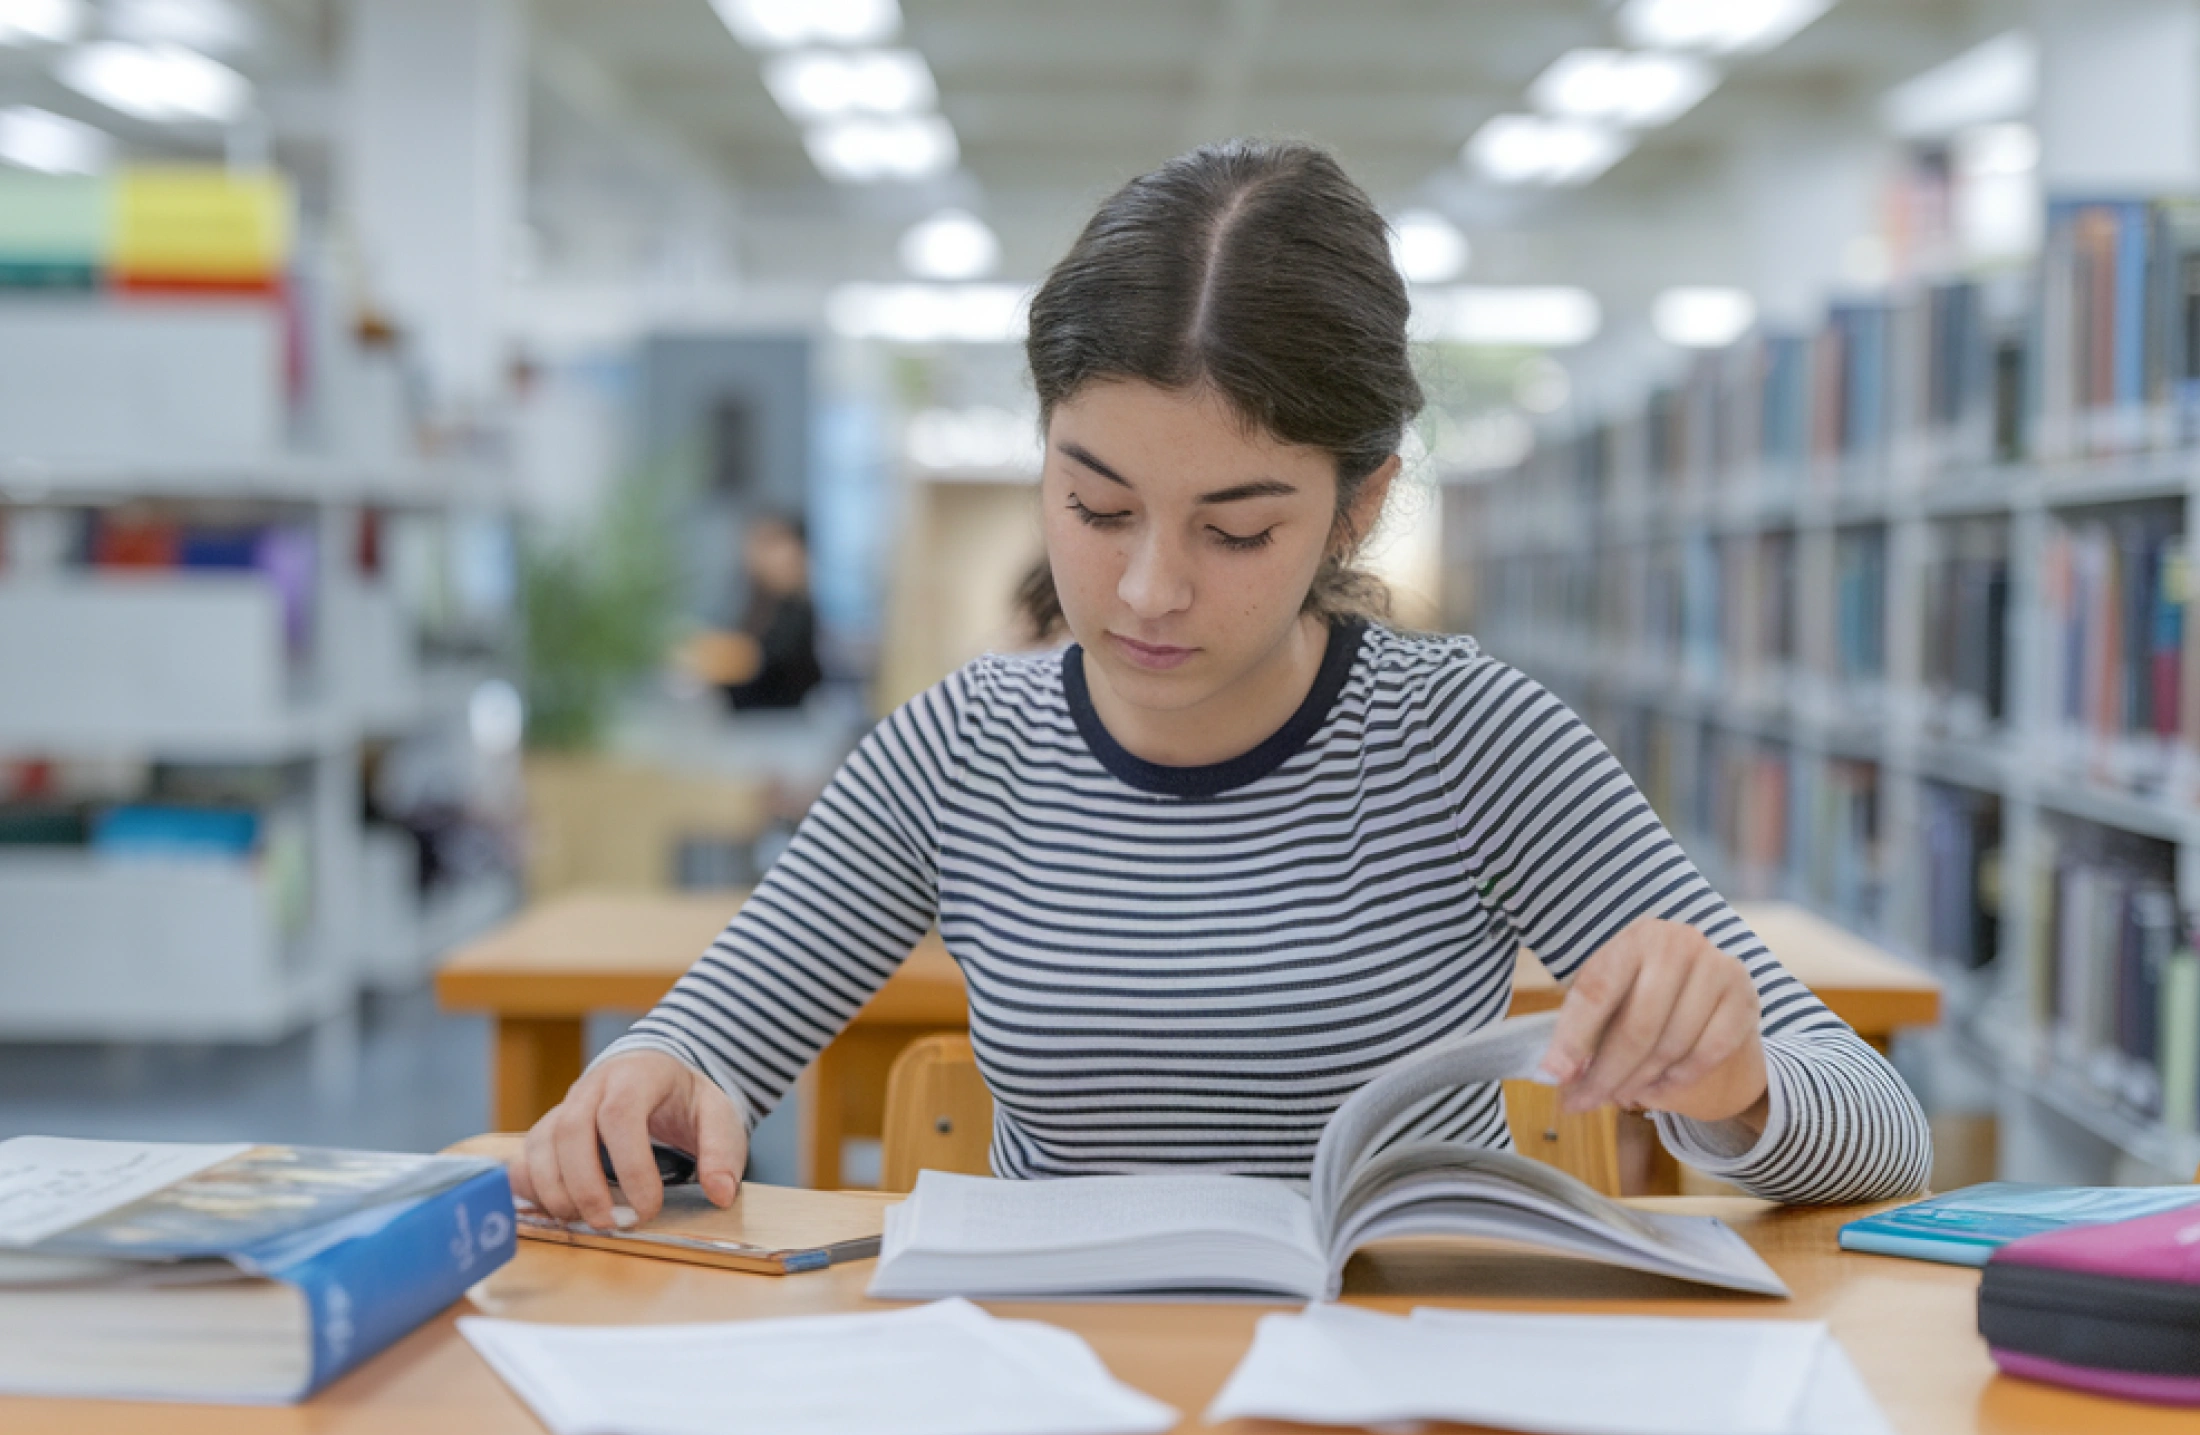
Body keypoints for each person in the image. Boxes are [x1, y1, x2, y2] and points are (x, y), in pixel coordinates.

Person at [514, 139, 1930, 1229]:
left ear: (1360, 506)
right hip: (1049, 1376)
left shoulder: (1470, 738)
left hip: (1405, 1373)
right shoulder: (959, 746)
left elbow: (1882, 1124)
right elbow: (706, 1038)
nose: (1147, 590)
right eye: (1098, 504)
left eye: (1238, 529)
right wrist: (655, 1078)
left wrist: (1737, 1083)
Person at [679, 513, 825, 712]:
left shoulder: (797, 608)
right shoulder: (752, 599)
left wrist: (715, 655)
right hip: (745, 720)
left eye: (771, 543)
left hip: (782, 722)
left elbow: (760, 659)